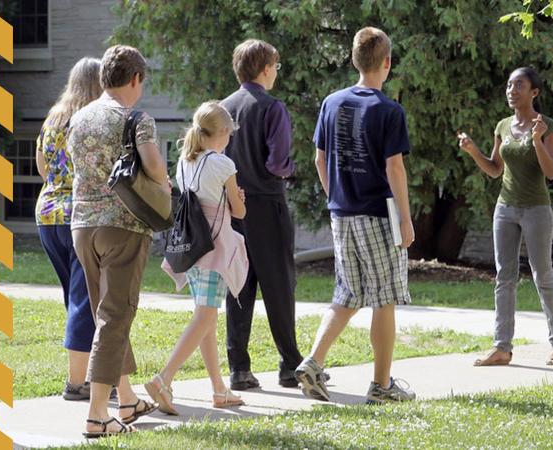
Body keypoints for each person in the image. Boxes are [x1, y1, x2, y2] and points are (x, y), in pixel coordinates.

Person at [295, 26, 416, 404]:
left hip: (342, 212)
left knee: (348, 293)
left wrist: (338, 196)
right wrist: (406, 219)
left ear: (354, 60)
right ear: (387, 63)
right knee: (385, 298)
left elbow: (319, 158)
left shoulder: (332, 102)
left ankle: (312, 363)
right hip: (379, 213)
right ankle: (381, 386)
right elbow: (394, 168)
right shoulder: (388, 110)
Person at [69, 45, 166, 437]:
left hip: (81, 227)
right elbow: (153, 165)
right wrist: (163, 182)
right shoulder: (136, 118)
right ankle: (96, 416)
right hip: (122, 226)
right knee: (115, 317)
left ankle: (126, 399)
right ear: (135, 79)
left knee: (104, 315)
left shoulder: (79, 117)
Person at [457, 66, 553, 367]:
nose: (511, 90)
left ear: (534, 92)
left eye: (519, 85)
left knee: (542, 275)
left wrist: (537, 140)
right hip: (505, 209)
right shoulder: (503, 126)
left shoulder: (546, 125)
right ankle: (502, 348)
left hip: (536, 210)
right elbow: (495, 169)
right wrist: (472, 151)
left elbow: (551, 172)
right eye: (508, 85)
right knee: (504, 278)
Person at [147, 101, 248, 414]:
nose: (229, 140)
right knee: (205, 316)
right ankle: (164, 378)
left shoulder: (184, 162)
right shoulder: (222, 164)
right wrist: (239, 200)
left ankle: (219, 389)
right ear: (219, 134)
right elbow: (239, 211)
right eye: (228, 134)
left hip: (191, 246)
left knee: (207, 318)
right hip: (214, 249)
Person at [221, 39, 304, 390]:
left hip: (231, 204)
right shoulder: (272, 108)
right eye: (276, 67)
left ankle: (239, 368)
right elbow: (277, 163)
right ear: (266, 68)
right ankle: (289, 364)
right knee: (278, 285)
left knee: (238, 286)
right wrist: (290, 168)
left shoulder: (222, 108)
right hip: (267, 204)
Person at [34, 57, 112, 401]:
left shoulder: (54, 117)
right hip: (80, 217)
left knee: (76, 298)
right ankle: (78, 383)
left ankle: (89, 374)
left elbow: (41, 167)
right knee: (85, 302)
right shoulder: (92, 121)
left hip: (47, 215)